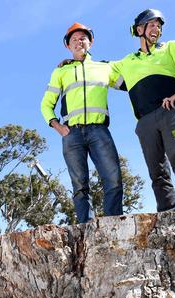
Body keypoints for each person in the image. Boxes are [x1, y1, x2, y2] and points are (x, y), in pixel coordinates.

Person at [110, 9, 175, 212]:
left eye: (159, 26)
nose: (157, 29)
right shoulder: (127, 62)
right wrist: (73, 63)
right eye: (151, 24)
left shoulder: (170, 47)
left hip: (170, 112)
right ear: (139, 29)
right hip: (144, 122)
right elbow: (98, 70)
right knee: (157, 171)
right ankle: (167, 214)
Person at [40, 23, 124, 223]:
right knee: (79, 185)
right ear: (68, 46)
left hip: (99, 131)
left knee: (113, 179)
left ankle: (113, 225)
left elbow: (130, 84)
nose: (79, 41)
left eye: (83, 38)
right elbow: (45, 105)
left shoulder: (105, 68)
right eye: (74, 39)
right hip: (72, 135)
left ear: (90, 42)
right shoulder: (61, 71)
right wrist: (58, 126)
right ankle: (86, 228)